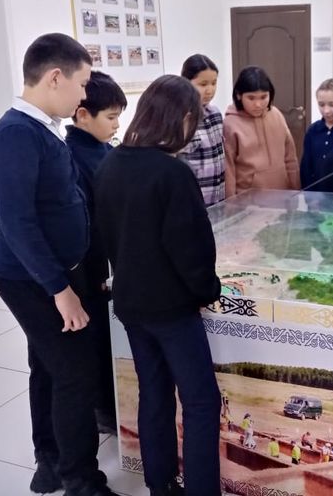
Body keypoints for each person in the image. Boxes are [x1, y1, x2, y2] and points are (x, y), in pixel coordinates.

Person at [0, 33, 116, 496]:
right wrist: (61, 291)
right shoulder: (16, 135)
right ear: (56, 77)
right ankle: (80, 480)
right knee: (75, 373)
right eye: (82, 83)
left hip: (54, 271)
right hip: (32, 278)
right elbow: (17, 224)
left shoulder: (42, 129)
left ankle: (51, 461)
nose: (84, 94)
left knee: (47, 363)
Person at [94, 75, 222, 496]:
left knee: (154, 392)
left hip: (131, 304)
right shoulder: (172, 173)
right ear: (182, 118)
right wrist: (208, 291)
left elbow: (108, 237)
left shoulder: (109, 164)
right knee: (201, 401)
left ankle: (160, 484)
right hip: (172, 310)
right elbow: (191, 249)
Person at [65, 70, 127, 436]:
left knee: (112, 335)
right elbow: (87, 223)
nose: (117, 124)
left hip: (113, 260)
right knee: (98, 341)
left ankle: (113, 403)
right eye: (111, 117)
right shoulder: (73, 156)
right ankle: (104, 409)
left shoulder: (105, 148)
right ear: (83, 115)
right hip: (94, 267)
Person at [224, 66, 301, 197]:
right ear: (238, 95)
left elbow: (290, 157)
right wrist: (231, 203)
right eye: (251, 98)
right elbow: (229, 169)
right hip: (247, 200)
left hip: (282, 195)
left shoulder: (276, 115)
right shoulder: (230, 123)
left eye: (263, 97)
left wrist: (296, 190)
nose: (258, 104)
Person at [180, 54, 225, 206]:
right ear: (186, 82)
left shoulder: (215, 114)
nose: (210, 90)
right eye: (203, 84)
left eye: (214, 83)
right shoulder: (181, 119)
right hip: (194, 201)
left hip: (218, 198)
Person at [300, 78, 333, 189]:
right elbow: (306, 166)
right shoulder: (313, 131)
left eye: (332, 104)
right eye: (321, 104)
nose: (326, 111)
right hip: (316, 193)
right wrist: (308, 193)